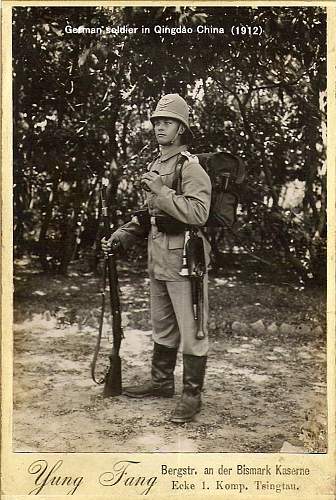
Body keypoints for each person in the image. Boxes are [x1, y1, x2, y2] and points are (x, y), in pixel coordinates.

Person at [102, 94, 211, 423]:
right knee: (162, 326)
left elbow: (199, 212)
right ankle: (162, 382)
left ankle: (192, 395)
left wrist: (162, 192)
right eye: (157, 122)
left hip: (185, 261)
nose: (160, 127)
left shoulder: (189, 167)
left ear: (181, 128)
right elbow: (149, 215)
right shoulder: (156, 166)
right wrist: (121, 235)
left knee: (192, 329)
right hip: (159, 258)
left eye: (167, 122)